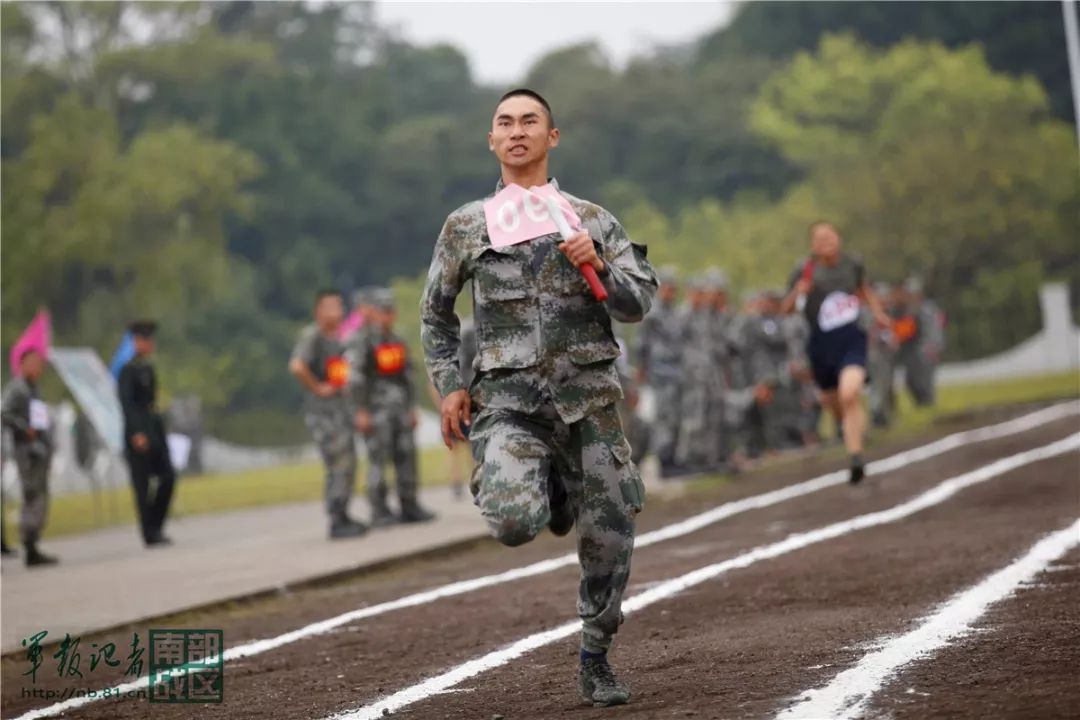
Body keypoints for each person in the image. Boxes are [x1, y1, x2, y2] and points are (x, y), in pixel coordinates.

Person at [420, 88, 657, 706]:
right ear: (491, 140)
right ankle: (545, 488)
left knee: (609, 533)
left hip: (589, 404)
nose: (517, 131)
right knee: (513, 523)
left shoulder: (590, 219)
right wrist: (448, 386)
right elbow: (435, 318)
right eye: (505, 123)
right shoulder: (466, 226)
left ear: (553, 138)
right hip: (509, 406)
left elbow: (637, 305)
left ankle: (596, 657)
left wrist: (599, 263)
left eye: (530, 122)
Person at [781, 221, 891, 484]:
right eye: (819, 239)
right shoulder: (804, 269)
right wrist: (799, 292)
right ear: (812, 245)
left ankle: (855, 457)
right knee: (834, 401)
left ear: (838, 239)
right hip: (820, 344)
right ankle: (850, 427)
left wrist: (878, 313)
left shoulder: (853, 264)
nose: (825, 242)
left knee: (850, 392)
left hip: (851, 337)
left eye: (829, 237)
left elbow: (865, 289)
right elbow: (786, 310)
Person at [349, 288, 435, 526]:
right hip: (376, 412)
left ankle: (410, 506)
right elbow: (356, 379)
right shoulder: (364, 341)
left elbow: (408, 376)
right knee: (378, 459)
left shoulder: (397, 339)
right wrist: (361, 410)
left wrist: (412, 408)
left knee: (407, 455)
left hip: (400, 410)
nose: (387, 315)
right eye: (382, 311)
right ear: (373, 313)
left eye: (390, 310)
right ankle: (379, 511)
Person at [289, 291, 367, 540]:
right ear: (318, 312)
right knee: (338, 464)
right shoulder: (313, 336)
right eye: (331, 306)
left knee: (349, 463)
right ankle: (336, 519)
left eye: (339, 305)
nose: (338, 311)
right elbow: (297, 366)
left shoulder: (341, 337)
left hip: (341, 412)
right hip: (324, 416)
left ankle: (343, 514)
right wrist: (317, 388)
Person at [117, 321, 176, 547]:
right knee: (142, 484)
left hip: (154, 428)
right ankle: (148, 532)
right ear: (136, 342)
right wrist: (137, 432)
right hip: (138, 432)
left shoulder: (148, 368)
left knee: (167, 476)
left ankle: (156, 523)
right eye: (146, 339)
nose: (150, 343)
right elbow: (128, 405)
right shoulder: (127, 370)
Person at [1, 349, 58, 566]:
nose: (37, 367)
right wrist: (24, 429)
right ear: (22, 364)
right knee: (32, 494)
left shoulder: (35, 388)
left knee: (41, 495)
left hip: (40, 450)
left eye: (39, 363)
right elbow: (4, 413)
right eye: (32, 363)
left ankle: (34, 543)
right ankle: (29, 545)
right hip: (27, 451)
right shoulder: (17, 389)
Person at [632, 266, 682, 477]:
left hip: (674, 373)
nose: (671, 292)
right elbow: (642, 344)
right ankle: (662, 460)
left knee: (671, 417)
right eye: (668, 287)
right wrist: (641, 369)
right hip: (658, 373)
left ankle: (669, 457)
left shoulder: (674, 312)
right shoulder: (652, 311)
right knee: (659, 418)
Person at [427, 317, 477, 499]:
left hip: (466, 402)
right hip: (453, 404)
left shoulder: (466, 359)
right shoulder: (445, 359)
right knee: (454, 446)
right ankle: (456, 482)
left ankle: (474, 480)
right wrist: (441, 406)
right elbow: (432, 382)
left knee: (471, 444)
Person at [895, 276, 944, 407]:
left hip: (926, 351)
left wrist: (933, 347)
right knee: (911, 381)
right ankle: (922, 405)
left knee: (925, 382)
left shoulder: (928, 308)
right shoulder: (909, 310)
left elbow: (934, 329)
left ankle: (928, 406)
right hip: (912, 352)